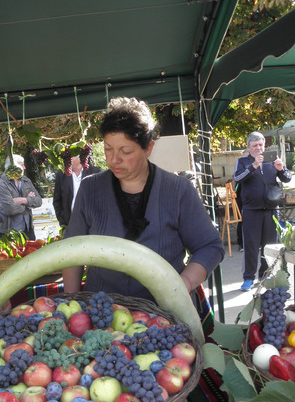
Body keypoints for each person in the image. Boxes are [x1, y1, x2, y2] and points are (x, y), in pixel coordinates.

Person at [62, 97, 224, 304]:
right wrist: (73, 304)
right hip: (102, 312)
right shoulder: (90, 189)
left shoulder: (178, 191)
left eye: (126, 151)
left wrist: (182, 284)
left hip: (165, 313)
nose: (114, 159)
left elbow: (210, 247)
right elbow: (71, 253)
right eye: (108, 148)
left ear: (148, 148)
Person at [232, 132, 293, 291]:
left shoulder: (272, 159)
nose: (258, 148)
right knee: (251, 245)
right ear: (249, 147)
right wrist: (253, 166)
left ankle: (266, 274)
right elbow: (238, 179)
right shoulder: (243, 161)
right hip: (251, 210)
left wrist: (281, 169)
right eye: (255, 146)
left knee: (270, 245)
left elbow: (287, 178)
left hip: (271, 209)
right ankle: (248, 278)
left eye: (261, 145)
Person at [0, 154, 42, 239]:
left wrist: (23, 200)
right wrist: (28, 203)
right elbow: (10, 209)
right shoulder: (1, 184)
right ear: (12, 167)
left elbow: (39, 201)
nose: (24, 168)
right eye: (21, 165)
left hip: (28, 230)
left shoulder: (26, 181)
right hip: (10, 232)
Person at [52, 154, 101, 229]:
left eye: (70, 156)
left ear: (80, 158)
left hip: (93, 224)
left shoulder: (96, 172)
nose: (67, 159)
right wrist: (62, 220)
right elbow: (57, 200)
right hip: (70, 223)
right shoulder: (61, 174)